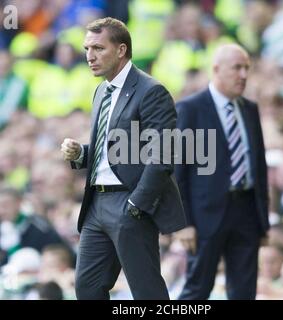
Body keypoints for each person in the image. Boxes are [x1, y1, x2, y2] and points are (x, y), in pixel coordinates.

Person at [60, 17, 186, 300]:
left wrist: (137, 204)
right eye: (87, 49)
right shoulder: (101, 90)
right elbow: (114, 149)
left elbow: (163, 154)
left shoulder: (151, 90)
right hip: (96, 205)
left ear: (121, 50)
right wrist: (82, 153)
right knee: (87, 289)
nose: (90, 56)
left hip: (129, 203)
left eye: (98, 48)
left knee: (147, 292)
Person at [175, 44, 269, 300]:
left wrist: (263, 221)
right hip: (205, 217)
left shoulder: (250, 109)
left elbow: (258, 167)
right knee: (197, 291)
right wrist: (183, 223)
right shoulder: (189, 109)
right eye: (236, 68)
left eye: (247, 68)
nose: (243, 75)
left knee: (244, 292)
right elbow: (177, 171)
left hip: (247, 212)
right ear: (216, 70)